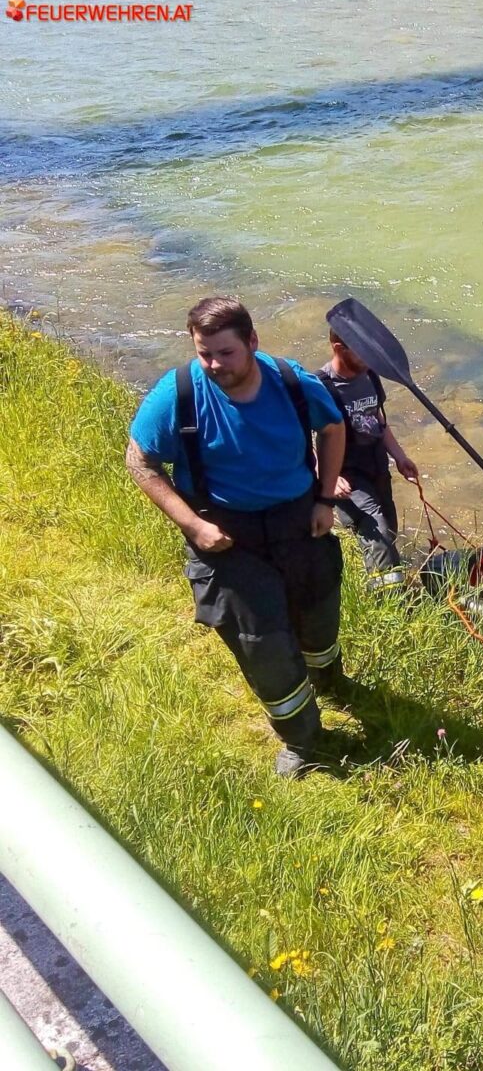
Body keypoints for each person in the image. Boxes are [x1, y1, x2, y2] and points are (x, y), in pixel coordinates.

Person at [125, 296, 347, 777]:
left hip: (297, 519)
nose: (213, 365)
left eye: (225, 353)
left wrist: (325, 500)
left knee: (319, 611)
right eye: (204, 353)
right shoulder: (177, 395)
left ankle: (328, 678)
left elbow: (332, 428)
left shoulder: (291, 382)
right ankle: (304, 739)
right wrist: (194, 525)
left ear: (252, 342)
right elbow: (140, 462)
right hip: (227, 534)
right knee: (260, 639)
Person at [315, 329, 419, 590]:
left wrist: (399, 456)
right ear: (339, 348)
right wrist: (326, 475)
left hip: (376, 464)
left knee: (389, 527)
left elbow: (378, 419)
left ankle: (394, 579)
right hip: (345, 472)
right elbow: (300, 437)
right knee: (375, 525)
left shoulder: (369, 375)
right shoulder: (320, 386)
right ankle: (389, 600)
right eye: (363, 352)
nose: (369, 359)